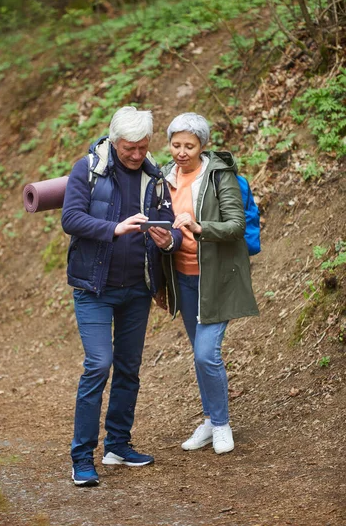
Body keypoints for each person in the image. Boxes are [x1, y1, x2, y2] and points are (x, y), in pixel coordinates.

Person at [61, 106, 182, 487]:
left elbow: (170, 223)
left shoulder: (155, 175)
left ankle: (118, 445)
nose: (136, 154)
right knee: (99, 365)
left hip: (137, 289)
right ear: (115, 142)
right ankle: (82, 457)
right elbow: (71, 218)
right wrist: (115, 228)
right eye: (129, 148)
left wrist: (169, 240)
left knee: (129, 369)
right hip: (94, 288)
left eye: (143, 147)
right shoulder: (89, 169)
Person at [158, 112, 259, 455]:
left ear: (203, 146)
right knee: (200, 355)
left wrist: (200, 227)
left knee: (206, 354)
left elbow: (234, 225)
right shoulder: (163, 178)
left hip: (215, 279)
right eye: (176, 144)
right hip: (182, 279)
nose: (181, 152)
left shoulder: (218, 176)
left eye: (189, 145)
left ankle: (221, 425)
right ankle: (211, 418)